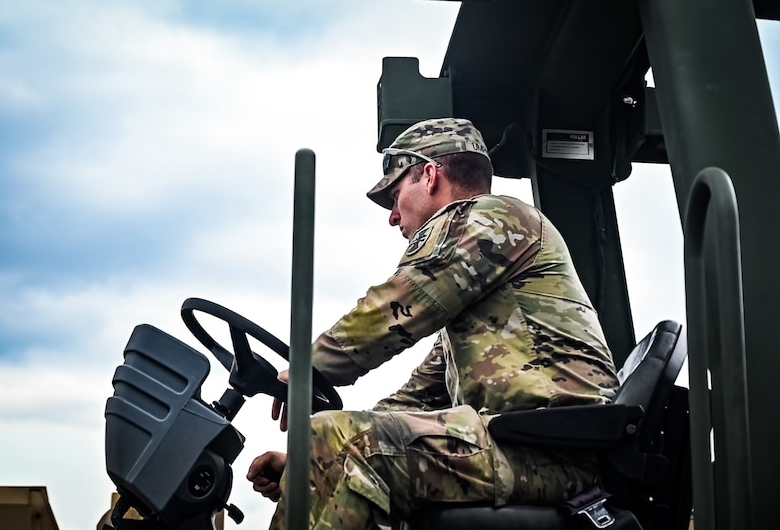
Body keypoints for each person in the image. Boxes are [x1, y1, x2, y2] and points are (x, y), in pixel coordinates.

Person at [246, 117, 619, 529]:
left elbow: (398, 304)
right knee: (331, 437)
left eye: (395, 194)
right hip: (521, 445)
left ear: (429, 174)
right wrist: (309, 458)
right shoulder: (484, 303)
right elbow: (420, 396)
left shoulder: (492, 218)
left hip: (549, 449)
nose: (392, 216)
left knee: (335, 436)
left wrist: (308, 368)